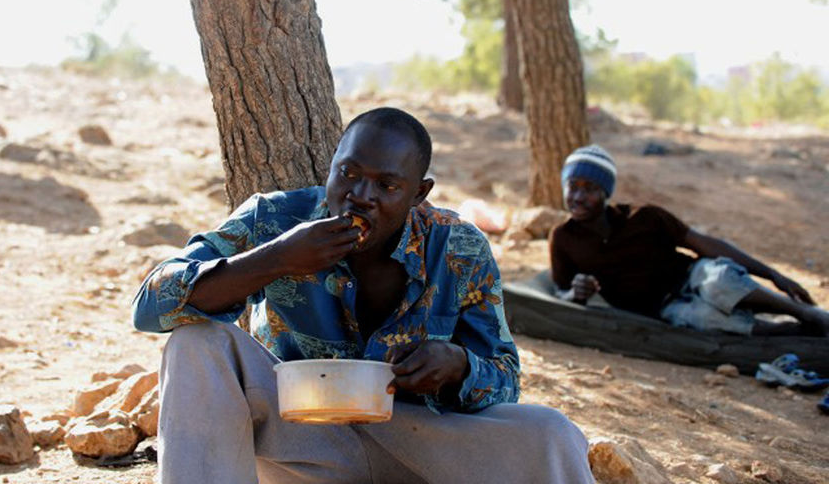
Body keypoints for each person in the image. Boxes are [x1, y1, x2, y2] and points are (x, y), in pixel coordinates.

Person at [133, 108, 594, 484]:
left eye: (387, 186)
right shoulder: (275, 220)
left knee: (551, 433)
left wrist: (457, 365)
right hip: (298, 440)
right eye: (348, 174)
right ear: (332, 164)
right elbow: (149, 307)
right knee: (195, 344)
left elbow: (505, 377)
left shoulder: (459, 247)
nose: (359, 196)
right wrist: (274, 259)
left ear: (419, 194)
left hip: (416, 442)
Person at [550, 144, 829, 336]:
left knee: (719, 283)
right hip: (664, 308)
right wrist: (577, 292)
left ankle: (805, 313)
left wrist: (774, 275)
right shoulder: (562, 237)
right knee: (706, 319)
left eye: (589, 189)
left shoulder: (645, 216)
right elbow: (561, 292)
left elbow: (704, 243)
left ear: (606, 192)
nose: (577, 197)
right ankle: (797, 333)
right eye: (572, 187)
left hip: (692, 275)